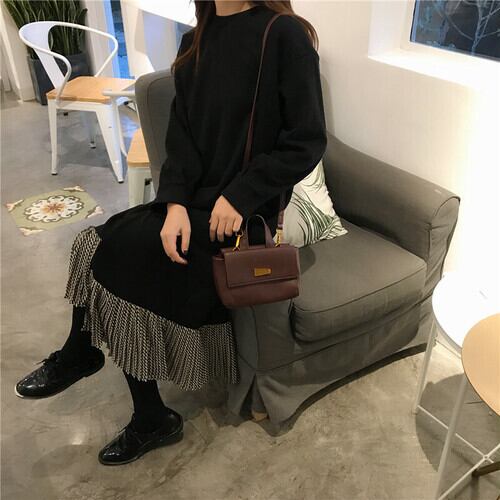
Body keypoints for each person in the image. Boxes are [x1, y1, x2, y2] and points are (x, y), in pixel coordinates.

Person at [14, 0, 327, 466]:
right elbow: (181, 138)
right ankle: (126, 393)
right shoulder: (195, 40)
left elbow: (306, 140)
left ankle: (110, 379)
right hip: (192, 205)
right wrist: (175, 202)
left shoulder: (283, 34)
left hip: (239, 217)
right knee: (96, 243)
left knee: (121, 257)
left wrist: (239, 196)